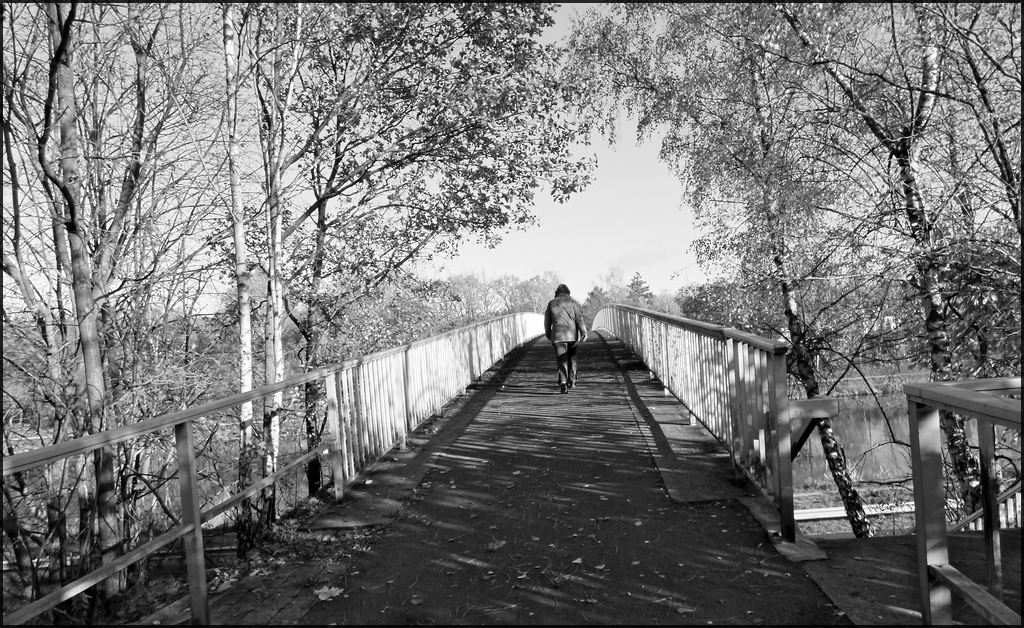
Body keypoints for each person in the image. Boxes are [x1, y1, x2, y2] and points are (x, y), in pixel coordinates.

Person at [543, 283, 588, 394]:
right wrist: (583, 332)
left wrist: (548, 333)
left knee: (561, 359)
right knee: (572, 357)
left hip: (558, 336)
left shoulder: (552, 303)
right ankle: (572, 381)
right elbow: (579, 319)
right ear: (568, 293)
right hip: (572, 335)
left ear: (556, 293)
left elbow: (547, 320)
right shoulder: (573, 303)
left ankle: (563, 383)